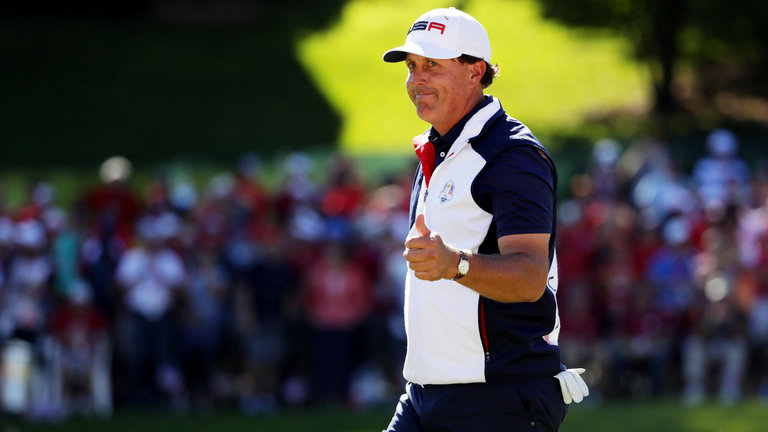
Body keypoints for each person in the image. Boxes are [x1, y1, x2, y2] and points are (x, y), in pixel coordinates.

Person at [380, 7, 588, 431]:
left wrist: (454, 264)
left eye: (432, 65)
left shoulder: (513, 155)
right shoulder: (436, 149)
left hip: (500, 397)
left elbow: (529, 277)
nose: (417, 79)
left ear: (475, 71)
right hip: (424, 393)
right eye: (412, 66)